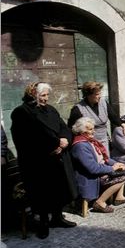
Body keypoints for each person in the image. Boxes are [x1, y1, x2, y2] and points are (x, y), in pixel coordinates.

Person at [11, 82, 78, 239]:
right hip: (38, 161)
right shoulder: (21, 112)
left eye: (47, 95)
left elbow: (64, 128)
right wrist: (55, 144)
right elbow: (27, 139)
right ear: (32, 95)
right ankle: (43, 223)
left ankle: (57, 218)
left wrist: (65, 141)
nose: (46, 98)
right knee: (41, 194)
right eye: (43, 95)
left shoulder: (51, 110)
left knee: (59, 189)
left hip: (57, 157)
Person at [71, 117, 125, 213]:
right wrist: (112, 168)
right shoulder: (80, 146)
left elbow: (104, 158)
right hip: (90, 176)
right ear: (82, 131)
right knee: (122, 175)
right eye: (90, 129)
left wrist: (116, 164)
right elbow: (93, 168)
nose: (93, 131)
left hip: (100, 169)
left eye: (93, 128)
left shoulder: (90, 142)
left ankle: (119, 197)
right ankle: (100, 202)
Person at [67, 81, 125, 152]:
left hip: (104, 140)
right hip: (88, 144)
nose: (100, 96)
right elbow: (71, 129)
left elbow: (113, 117)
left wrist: (123, 125)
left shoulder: (103, 103)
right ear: (88, 95)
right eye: (97, 94)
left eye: (100, 93)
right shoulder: (78, 109)